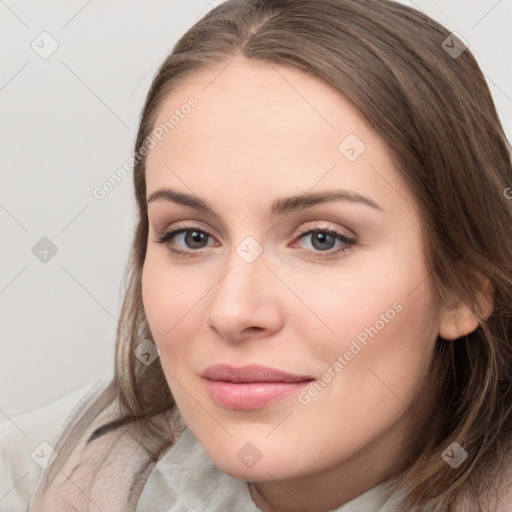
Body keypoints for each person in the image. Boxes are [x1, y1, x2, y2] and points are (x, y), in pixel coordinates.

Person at [2, 0, 512, 510]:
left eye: (322, 239)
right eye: (192, 237)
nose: (232, 311)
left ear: (463, 287)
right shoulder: (37, 477)